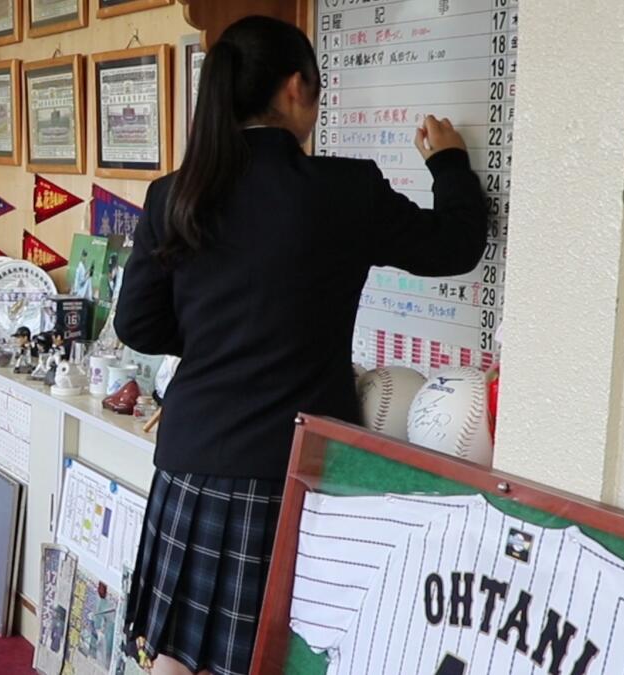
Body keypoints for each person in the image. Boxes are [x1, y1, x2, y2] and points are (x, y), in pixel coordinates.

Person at [113, 16, 485, 675]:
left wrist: (213, 340)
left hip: (190, 455)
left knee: (175, 653)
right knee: (266, 656)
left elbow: (138, 325)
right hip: (290, 463)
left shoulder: (176, 194)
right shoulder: (342, 191)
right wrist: (450, 162)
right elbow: (455, 245)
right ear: (294, 88)